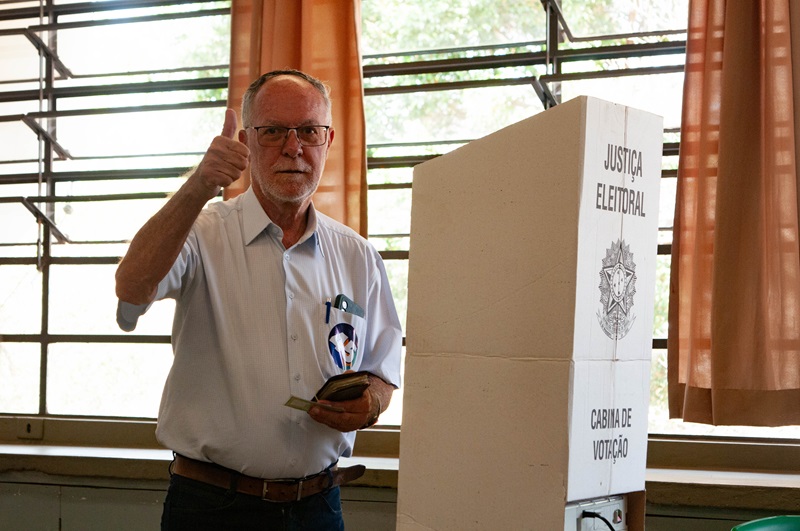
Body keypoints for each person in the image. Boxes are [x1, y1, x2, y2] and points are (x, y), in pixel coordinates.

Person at [115, 69, 403, 530]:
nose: (294, 148)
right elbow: (131, 290)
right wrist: (197, 186)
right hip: (212, 508)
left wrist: (370, 402)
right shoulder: (202, 233)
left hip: (319, 507)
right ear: (246, 141)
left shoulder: (357, 254)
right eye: (273, 132)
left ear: (328, 140)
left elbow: (383, 370)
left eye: (309, 131)